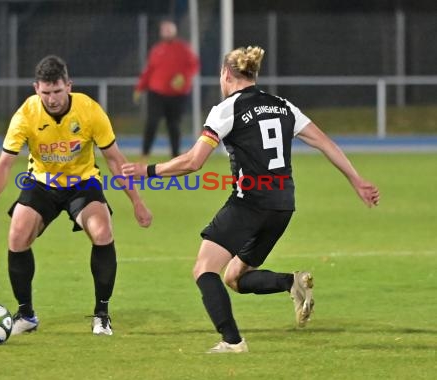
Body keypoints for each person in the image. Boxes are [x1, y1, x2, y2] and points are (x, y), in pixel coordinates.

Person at [122, 46, 380, 353]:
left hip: (250, 204)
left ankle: (232, 341)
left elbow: (194, 162)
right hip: (283, 205)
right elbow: (325, 143)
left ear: (226, 74)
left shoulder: (226, 109)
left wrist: (148, 171)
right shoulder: (283, 106)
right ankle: (291, 282)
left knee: (204, 269)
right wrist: (356, 179)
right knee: (234, 277)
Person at [0, 55, 152, 337]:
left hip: (82, 183)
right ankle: (26, 314)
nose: (52, 98)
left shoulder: (89, 111)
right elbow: (4, 162)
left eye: (57, 91)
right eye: (46, 92)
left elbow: (115, 160)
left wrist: (137, 202)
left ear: (69, 86)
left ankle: (102, 314)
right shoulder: (26, 115)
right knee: (17, 235)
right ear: (36, 89)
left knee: (102, 231)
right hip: (41, 183)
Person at [134, 18, 200, 159]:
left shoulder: (184, 48)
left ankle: (175, 155)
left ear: (175, 31)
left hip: (177, 95)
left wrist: (184, 77)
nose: (167, 32)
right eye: (164, 29)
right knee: (152, 122)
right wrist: (140, 88)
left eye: (169, 29)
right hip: (156, 93)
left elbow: (194, 65)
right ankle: (145, 153)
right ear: (161, 32)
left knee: (174, 125)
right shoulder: (156, 49)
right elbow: (149, 70)